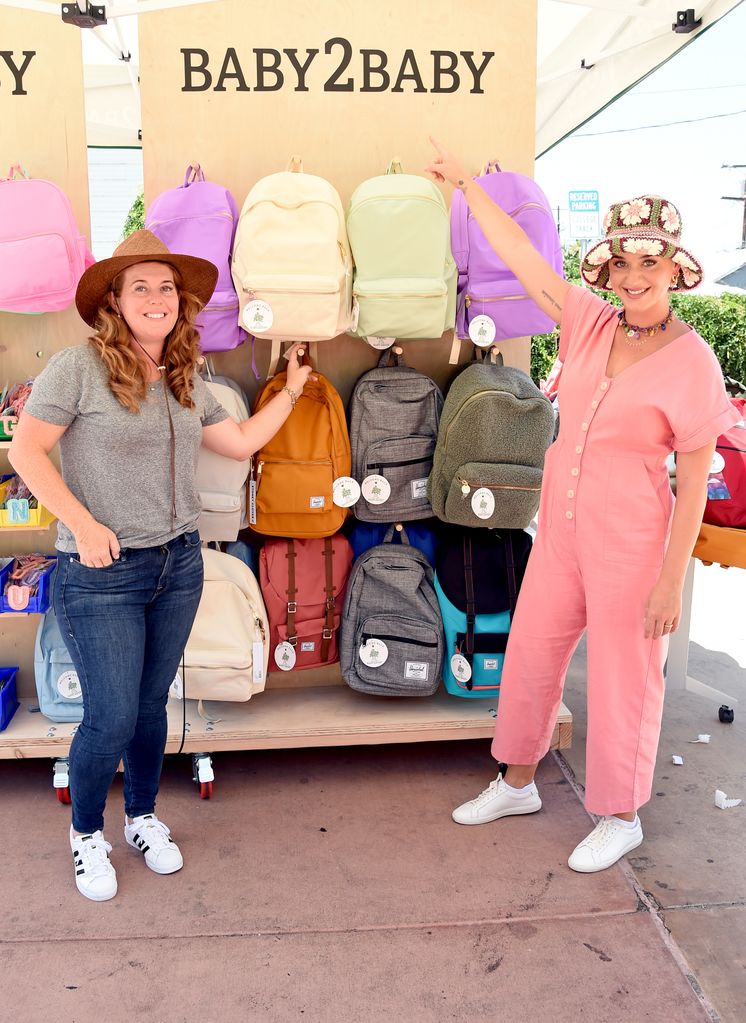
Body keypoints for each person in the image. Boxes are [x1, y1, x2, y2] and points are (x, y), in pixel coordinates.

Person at [426, 139, 741, 872]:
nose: (634, 277)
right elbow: (526, 264)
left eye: (649, 263)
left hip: (632, 541)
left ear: (674, 271)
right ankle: (517, 781)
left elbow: (694, 483)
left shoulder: (695, 361)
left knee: (627, 675)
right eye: (623, 263)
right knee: (532, 653)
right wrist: (469, 185)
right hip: (561, 529)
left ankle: (621, 813)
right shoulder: (591, 322)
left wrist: (671, 581)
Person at [9, 230, 312, 901]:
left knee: (150, 706)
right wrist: (82, 525)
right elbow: (27, 452)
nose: (155, 297)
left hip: (178, 565)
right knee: (110, 716)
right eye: (140, 286)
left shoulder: (184, 374)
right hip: (102, 574)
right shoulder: (75, 368)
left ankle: (142, 816)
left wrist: (289, 392)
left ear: (181, 302)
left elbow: (235, 443)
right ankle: (88, 833)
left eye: (166, 287)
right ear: (114, 300)